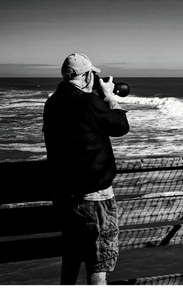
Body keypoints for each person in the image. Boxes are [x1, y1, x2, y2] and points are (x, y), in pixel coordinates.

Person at [42, 52, 129, 285]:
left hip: (64, 196)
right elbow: (120, 126)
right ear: (87, 75)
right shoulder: (89, 102)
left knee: (71, 259)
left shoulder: (52, 103)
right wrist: (109, 97)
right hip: (93, 198)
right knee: (98, 263)